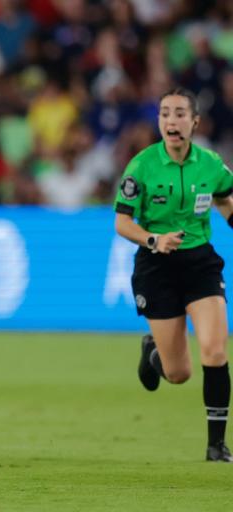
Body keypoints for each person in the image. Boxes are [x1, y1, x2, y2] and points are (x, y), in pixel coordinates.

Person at [114, 87, 233, 462]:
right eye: (165, 113)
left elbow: (225, 199)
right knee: (178, 373)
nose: (171, 121)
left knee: (215, 350)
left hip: (200, 262)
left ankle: (216, 446)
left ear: (195, 122)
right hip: (156, 266)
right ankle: (153, 352)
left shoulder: (211, 164)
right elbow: (121, 222)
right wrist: (154, 239)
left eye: (180, 114)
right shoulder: (142, 165)